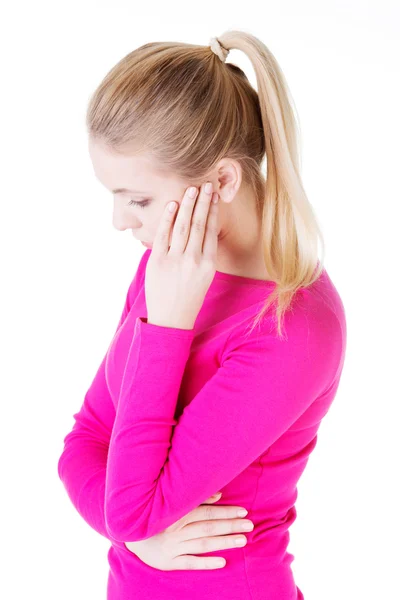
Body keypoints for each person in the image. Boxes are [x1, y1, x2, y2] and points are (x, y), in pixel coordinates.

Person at [57, 30, 347, 600]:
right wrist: (133, 535)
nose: (120, 221)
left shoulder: (295, 326)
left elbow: (133, 508)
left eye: (136, 199)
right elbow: (86, 440)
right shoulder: (169, 268)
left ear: (220, 181)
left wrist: (167, 327)